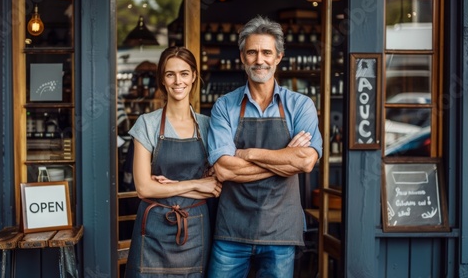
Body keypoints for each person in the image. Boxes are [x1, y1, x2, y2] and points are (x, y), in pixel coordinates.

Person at [206, 15, 323, 277]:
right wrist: (285, 160)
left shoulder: (300, 105)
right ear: (242, 57)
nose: (260, 59)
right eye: (252, 52)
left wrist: (249, 154)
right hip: (231, 231)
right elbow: (224, 170)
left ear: (278, 57)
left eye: (267, 52)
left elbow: (305, 161)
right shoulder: (224, 106)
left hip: (280, 230)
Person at [124, 46, 222, 277]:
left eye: (184, 73)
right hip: (153, 229)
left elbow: (216, 187)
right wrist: (195, 184)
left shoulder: (209, 126)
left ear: (194, 76)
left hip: (195, 228)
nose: (178, 81)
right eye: (170, 74)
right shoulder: (146, 124)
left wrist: (167, 187)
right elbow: (143, 188)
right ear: (162, 79)